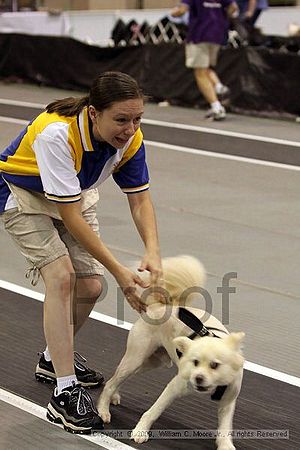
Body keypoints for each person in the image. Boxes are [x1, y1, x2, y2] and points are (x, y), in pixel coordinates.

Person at [0, 71, 162, 434]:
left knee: (90, 288)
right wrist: (121, 272)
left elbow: (139, 199)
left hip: (71, 192)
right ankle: (64, 390)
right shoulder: (58, 134)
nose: (130, 128)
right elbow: (70, 216)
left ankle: (49, 359)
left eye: (137, 119)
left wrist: (153, 251)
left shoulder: (130, 139)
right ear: (93, 113)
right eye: (121, 119)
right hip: (21, 195)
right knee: (61, 277)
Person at [171, 0, 239, 120]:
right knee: (206, 67)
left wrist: (173, 13)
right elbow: (233, 8)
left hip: (199, 34)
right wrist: (220, 17)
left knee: (200, 73)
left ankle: (216, 107)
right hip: (218, 34)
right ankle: (218, 86)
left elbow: (181, 10)